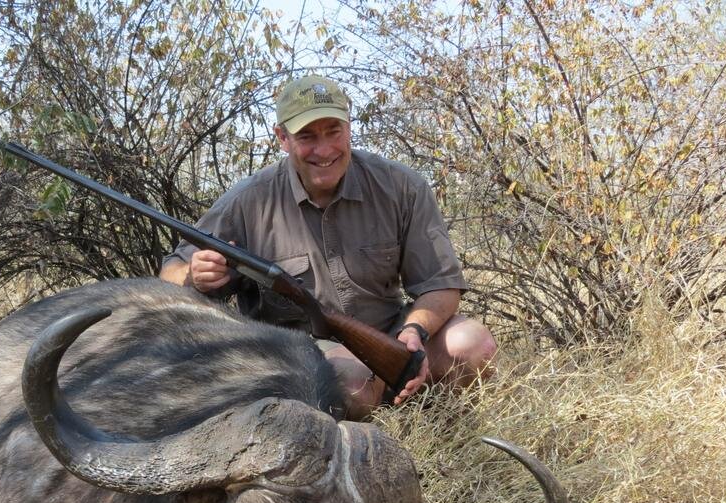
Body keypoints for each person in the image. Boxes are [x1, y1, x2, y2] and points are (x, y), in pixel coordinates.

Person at [159, 74, 496, 419]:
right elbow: (170, 272)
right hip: (301, 354)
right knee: (354, 382)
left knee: (473, 344)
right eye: (306, 136)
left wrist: (414, 331)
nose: (323, 150)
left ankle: (440, 433)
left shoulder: (402, 186)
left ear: (349, 127)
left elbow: (441, 286)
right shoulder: (248, 201)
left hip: (393, 335)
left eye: (333, 131)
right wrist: (195, 276)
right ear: (283, 138)